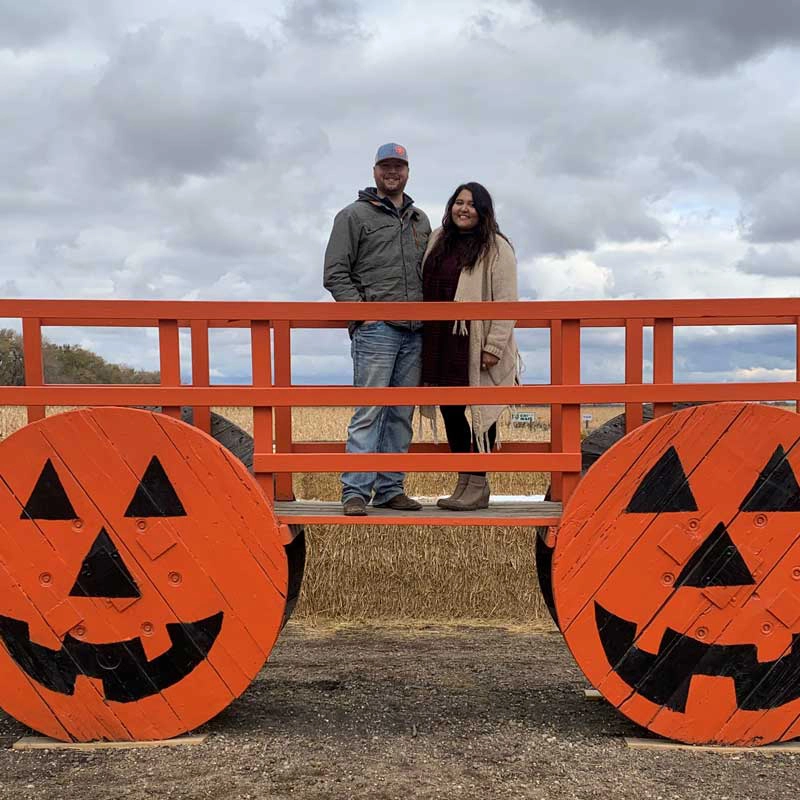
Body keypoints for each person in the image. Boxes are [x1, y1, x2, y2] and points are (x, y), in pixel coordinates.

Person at [323, 143, 431, 516]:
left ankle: (390, 488)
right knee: (369, 410)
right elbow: (335, 273)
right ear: (374, 171)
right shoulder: (353, 216)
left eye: (399, 166)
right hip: (377, 330)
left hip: (415, 330)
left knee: (401, 413)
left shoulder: (420, 220)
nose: (392, 172)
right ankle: (355, 490)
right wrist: (364, 313)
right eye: (386, 165)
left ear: (407, 171)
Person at [420, 182, 519, 511]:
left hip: (475, 342)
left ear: (484, 211)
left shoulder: (497, 247)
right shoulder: (438, 239)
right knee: (450, 408)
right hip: (442, 340)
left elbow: (507, 301)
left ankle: (478, 484)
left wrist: (494, 346)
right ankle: (465, 479)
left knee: (480, 414)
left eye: (472, 204)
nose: (464, 209)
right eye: (459, 202)